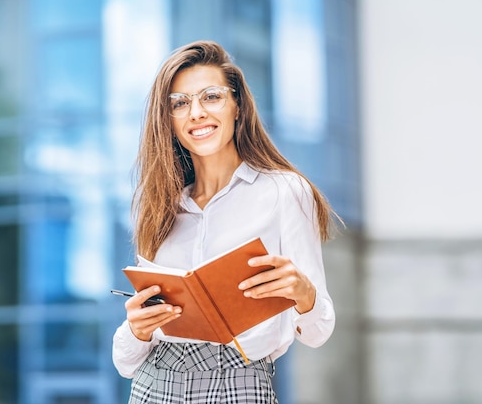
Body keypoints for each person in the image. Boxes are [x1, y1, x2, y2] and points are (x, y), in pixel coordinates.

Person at [112, 40, 337, 404]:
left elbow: (318, 331)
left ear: (237, 107)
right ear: (168, 122)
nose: (196, 113)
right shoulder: (158, 207)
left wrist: (304, 293)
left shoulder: (284, 192)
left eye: (211, 97)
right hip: (154, 384)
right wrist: (136, 329)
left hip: (239, 381)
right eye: (180, 104)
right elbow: (125, 363)